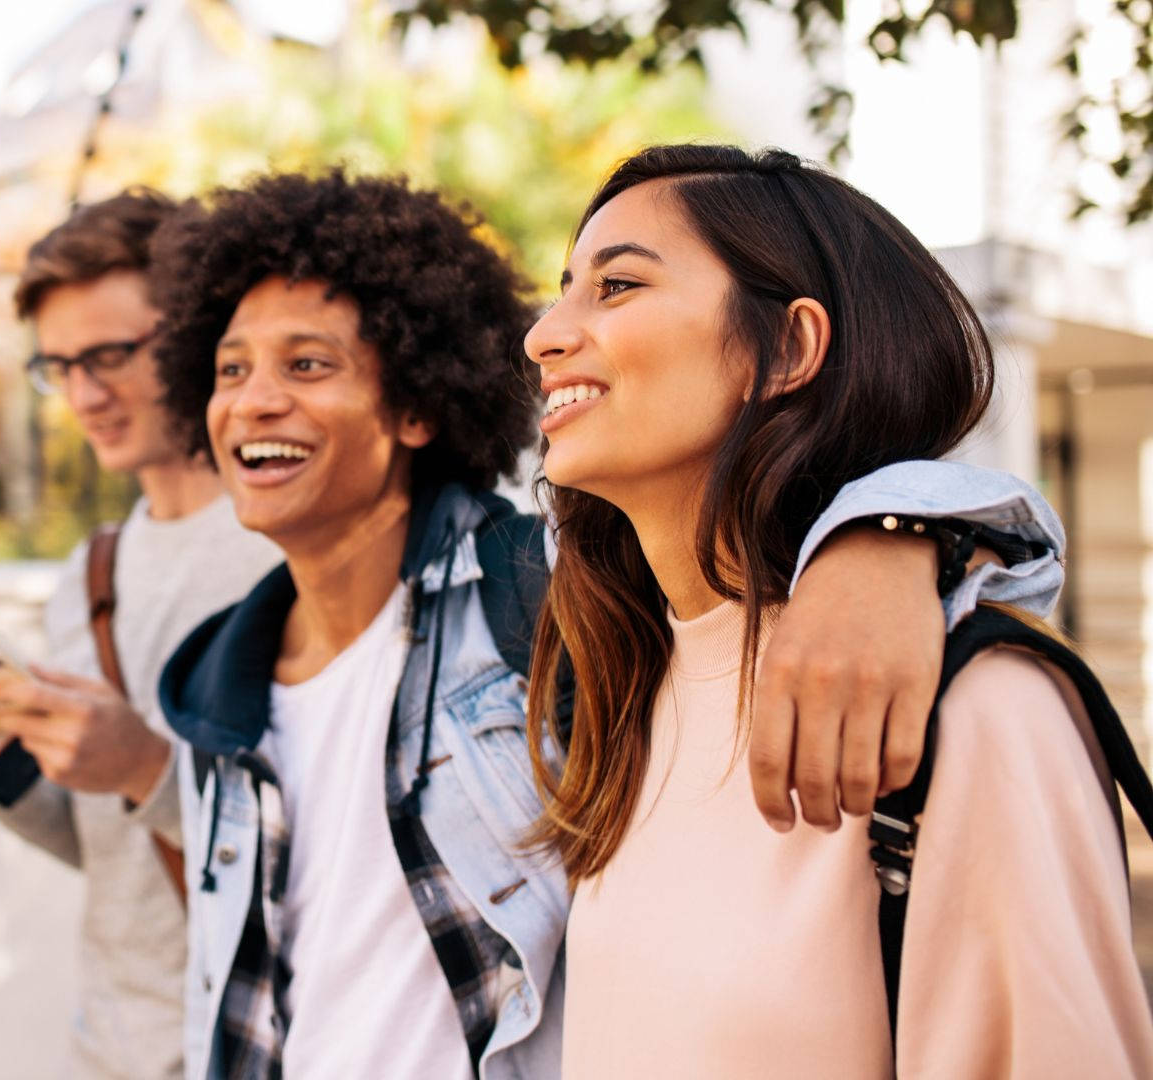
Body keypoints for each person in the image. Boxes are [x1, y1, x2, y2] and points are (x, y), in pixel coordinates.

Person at [145, 170, 1067, 1078]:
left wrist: (892, 535)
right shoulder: (210, 690)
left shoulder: (538, 606)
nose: (544, 337)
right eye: (230, 370)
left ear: (420, 404)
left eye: (308, 364)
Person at [523, 144, 1153, 1077]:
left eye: (616, 286)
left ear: (788, 348)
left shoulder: (973, 704)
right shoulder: (616, 690)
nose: (542, 334)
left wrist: (906, 531)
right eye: (563, 287)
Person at [0, 189, 284, 1079]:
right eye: (59, 366)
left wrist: (146, 766)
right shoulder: (90, 573)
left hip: (258, 1040)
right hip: (111, 1044)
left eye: (111, 354)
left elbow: (337, 845)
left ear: (194, 333)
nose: (85, 393)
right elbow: (106, 853)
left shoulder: (289, 547)